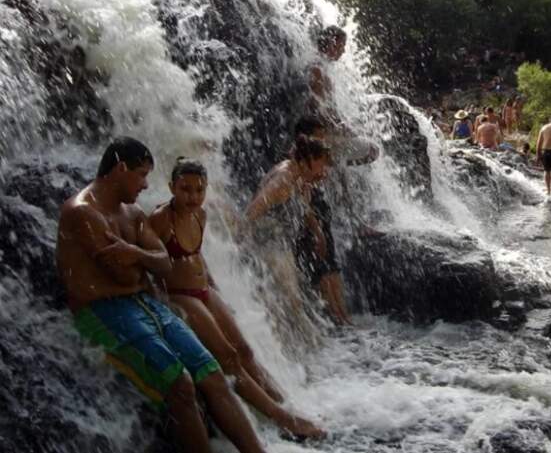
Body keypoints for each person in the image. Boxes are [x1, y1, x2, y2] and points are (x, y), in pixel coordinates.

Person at [57, 138, 267, 453]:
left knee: (212, 373)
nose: (145, 185)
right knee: (180, 384)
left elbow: (165, 264)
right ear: (121, 168)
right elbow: (125, 275)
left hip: (144, 302)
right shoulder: (82, 212)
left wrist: (135, 255)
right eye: (142, 175)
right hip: (102, 312)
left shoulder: (132, 213)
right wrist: (144, 262)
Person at [149, 158, 324, 439]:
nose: (193, 196)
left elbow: (196, 256)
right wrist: (159, 300)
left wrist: (214, 287)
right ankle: (282, 418)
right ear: (172, 188)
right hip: (180, 295)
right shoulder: (160, 218)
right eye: (185, 189)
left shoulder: (200, 215)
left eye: (199, 190)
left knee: (245, 350)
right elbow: (149, 262)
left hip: (204, 290)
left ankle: (287, 404)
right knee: (228, 357)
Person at [245, 135, 351, 325]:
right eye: (322, 165)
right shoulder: (284, 179)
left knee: (292, 303)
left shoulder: (299, 177)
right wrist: (243, 245)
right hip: (267, 246)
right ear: (307, 160)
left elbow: (304, 207)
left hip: (280, 245)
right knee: (292, 304)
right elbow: (252, 211)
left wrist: (318, 232)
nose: (324, 173)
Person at [308, 25, 347, 124]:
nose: (343, 51)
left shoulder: (322, 68)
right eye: (342, 45)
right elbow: (316, 107)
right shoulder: (317, 69)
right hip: (314, 127)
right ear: (332, 44)